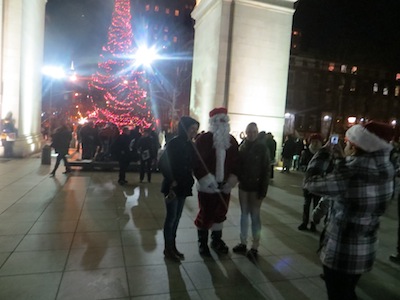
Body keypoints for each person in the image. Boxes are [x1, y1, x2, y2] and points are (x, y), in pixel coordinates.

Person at [303, 121, 394, 300]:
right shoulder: (387, 169)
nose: (345, 144)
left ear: (355, 145)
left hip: (342, 251)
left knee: (338, 294)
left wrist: (324, 151)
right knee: (348, 291)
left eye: (347, 142)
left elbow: (310, 183)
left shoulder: (350, 172)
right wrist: (340, 161)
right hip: (366, 247)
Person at [193, 107, 239, 256]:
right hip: (208, 186)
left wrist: (232, 179)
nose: (222, 123)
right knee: (205, 213)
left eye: (225, 120)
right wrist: (206, 179)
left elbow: (237, 162)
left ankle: (216, 240)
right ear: (213, 122)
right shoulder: (204, 139)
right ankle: (202, 243)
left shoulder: (231, 141)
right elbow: (197, 162)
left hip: (225, 186)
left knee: (220, 213)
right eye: (219, 120)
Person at [159, 116, 199, 261]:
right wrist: (172, 180)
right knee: (171, 219)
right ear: (184, 129)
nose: (193, 132)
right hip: (173, 187)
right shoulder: (174, 143)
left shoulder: (190, 144)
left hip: (183, 187)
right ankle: (167, 249)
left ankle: (173, 246)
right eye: (191, 129)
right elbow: (163, 163)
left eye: (195, 130)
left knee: (176, 219)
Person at [232, 123, 270, 260]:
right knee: (243, 215)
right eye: (249, 132)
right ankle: (243, 242)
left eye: (254, 132)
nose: (251, 134)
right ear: (246, 132)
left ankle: (255, 246)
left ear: (257, 132)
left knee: (255, 216)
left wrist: (263, 190)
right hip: (244, 185)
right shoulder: (243, 146)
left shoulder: (262, 148)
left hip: (256, 186)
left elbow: (266, 170)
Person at [298, 134, 324, 232]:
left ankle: (314, 223)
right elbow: (302, 164)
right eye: (313, 141)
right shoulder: (306, 152)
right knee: (306, 204)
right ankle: (304, 222)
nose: (315, 143)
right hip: (307, 183)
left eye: (317, 141)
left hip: (319, 183)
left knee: (316, 205)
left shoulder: (323, 153)